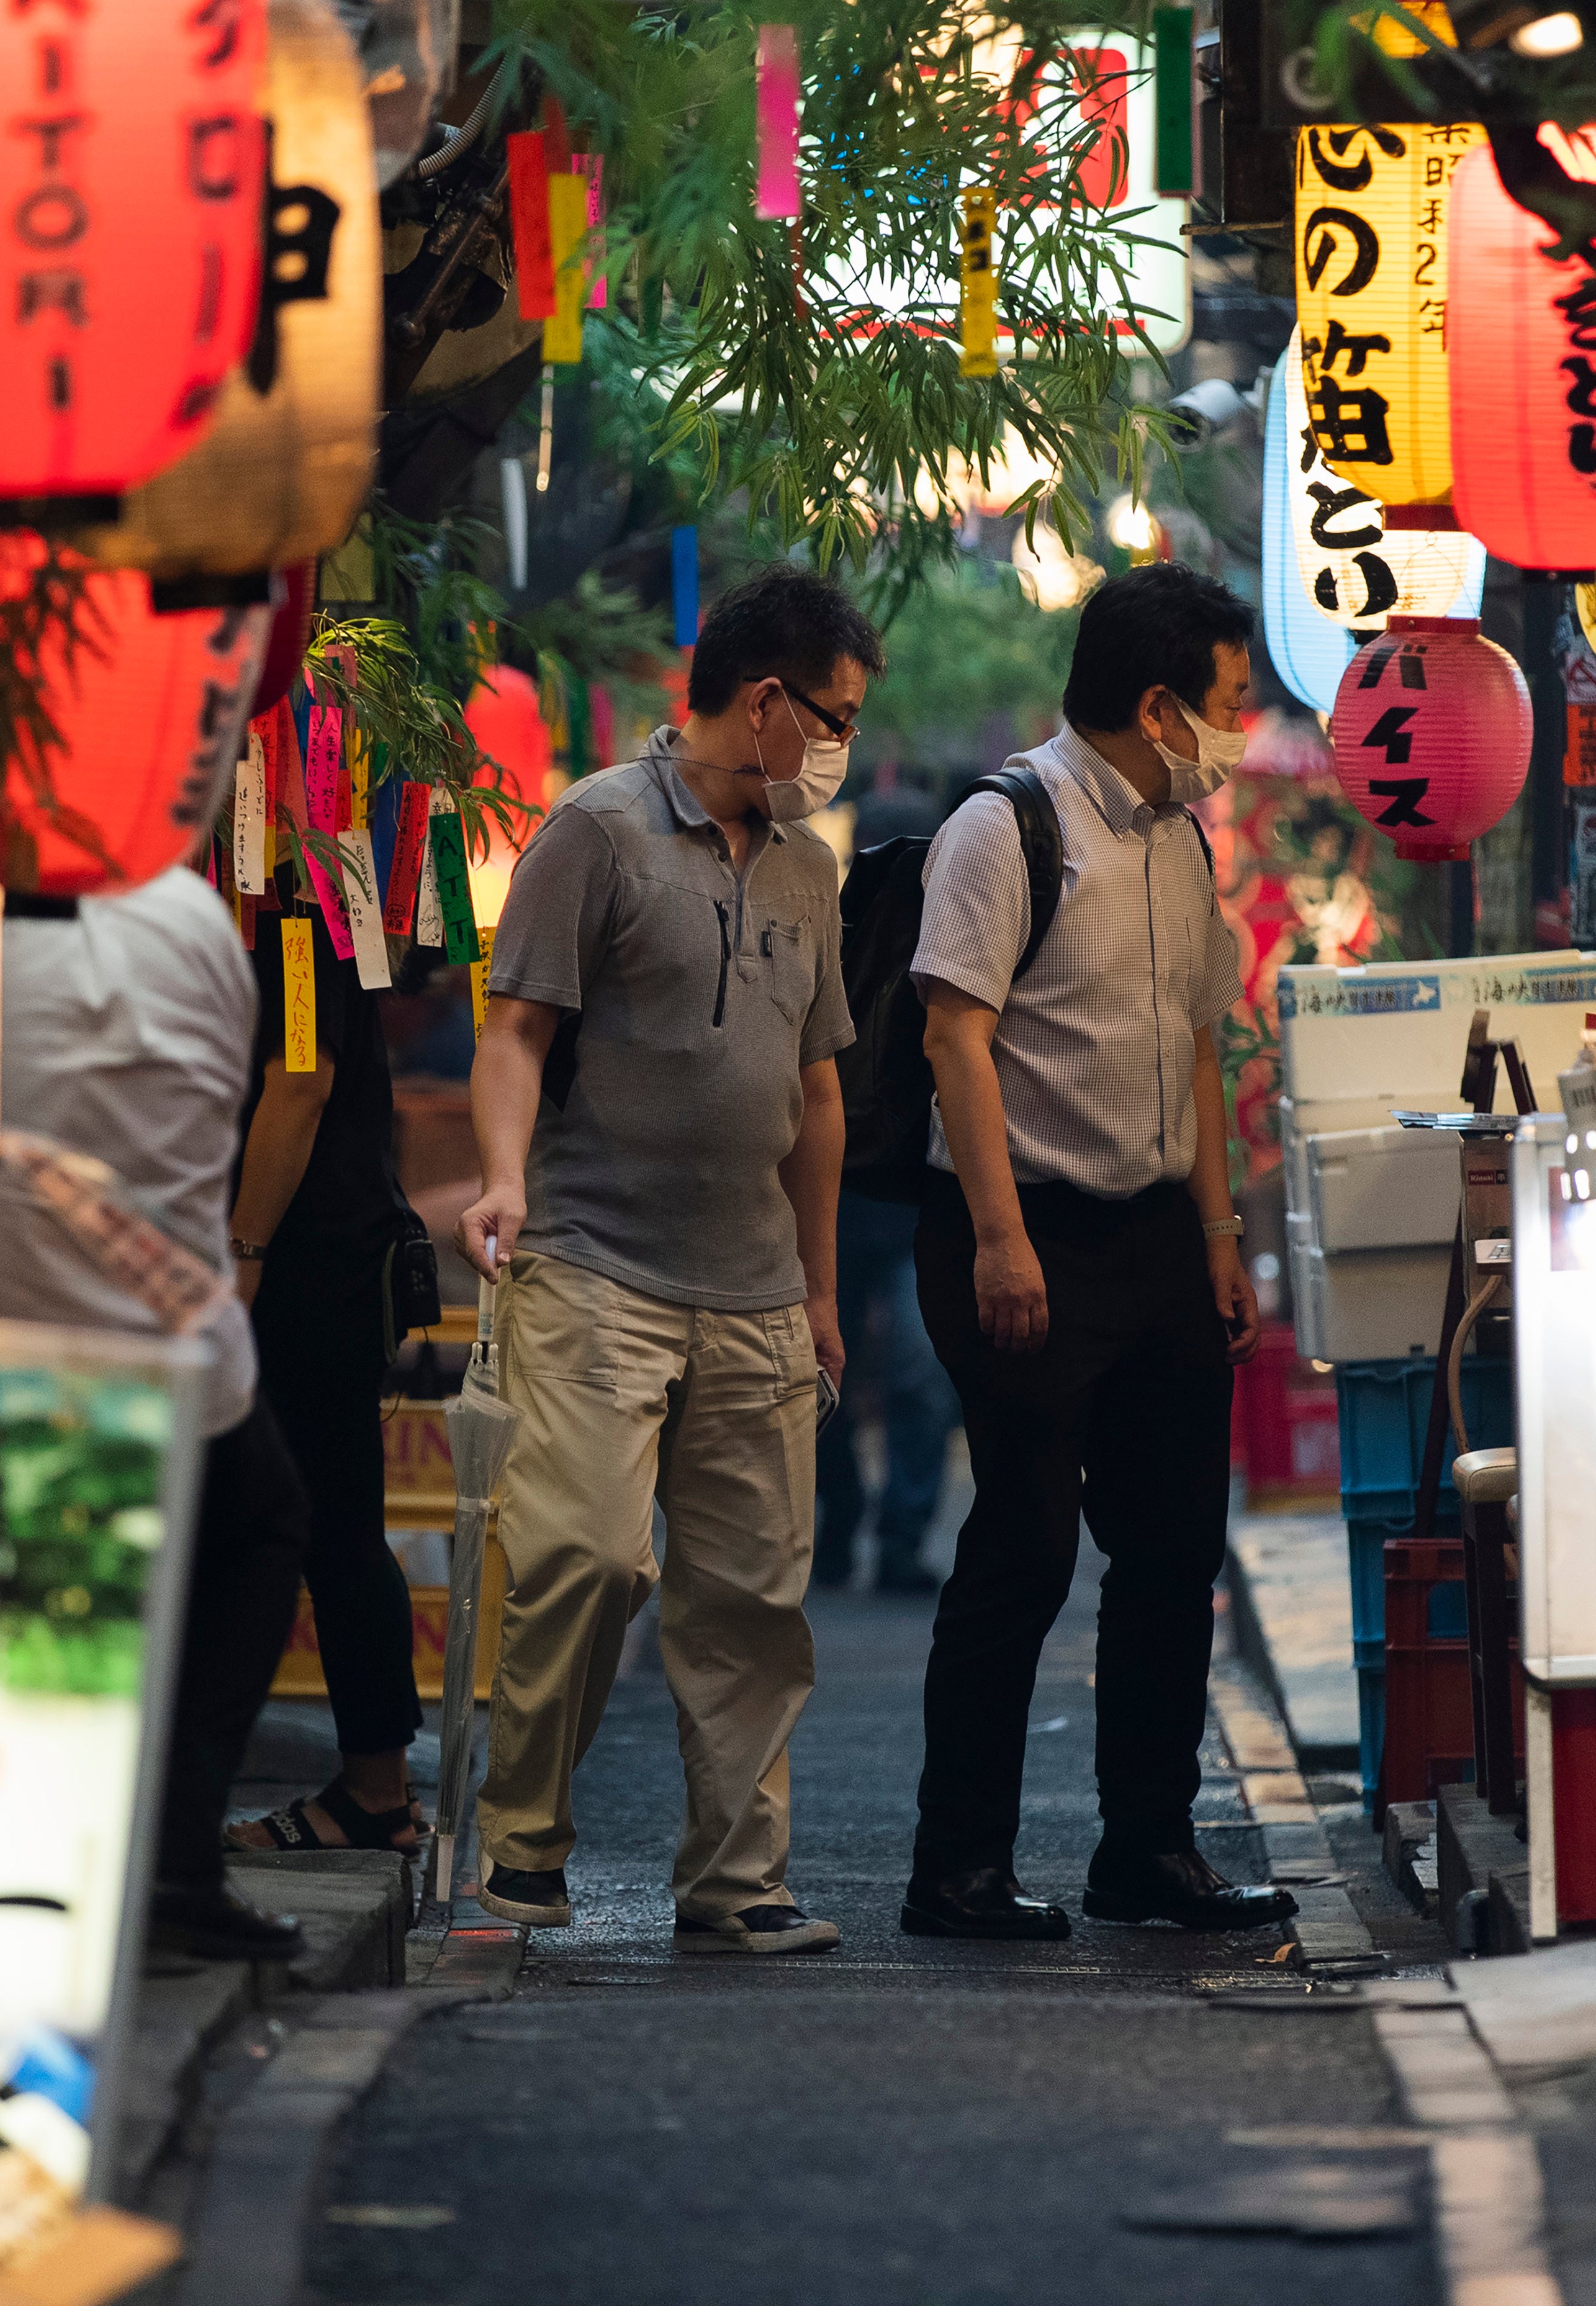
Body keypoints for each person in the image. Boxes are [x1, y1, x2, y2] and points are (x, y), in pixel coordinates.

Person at [456, 568, 878, 1955]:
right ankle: (520, 1842)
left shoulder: (813, 870)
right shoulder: (596, 830)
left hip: (757, 1288)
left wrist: (818, 1289)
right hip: (592, 1264)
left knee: (752, 1603)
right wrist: (506, 1177)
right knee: (584, 1555)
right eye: (832, 718)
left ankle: (736, 1880)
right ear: (763, 703)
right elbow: (514, 1028)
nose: (837, 750)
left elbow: (819, 1093)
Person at [898, 563, 1294, 1941]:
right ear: (1158, 703)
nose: (1240, 730)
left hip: (1157, 1244)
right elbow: (956, 1036)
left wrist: (1221, 1230)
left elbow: (1193, 1039)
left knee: (1176, 1550)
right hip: (1022, 1233)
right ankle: (955, 1868)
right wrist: (1002, 1242)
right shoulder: (1005, 830)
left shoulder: (1181, 839)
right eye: (1232, 703)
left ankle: (1149, 1846)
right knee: (1022, 1545)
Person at [0, 863, 309, 1963]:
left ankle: (84, 1864)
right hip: (162, 1347)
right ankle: (167, 1859)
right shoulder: (189, 918)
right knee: (254, 1529)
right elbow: (230, 1112)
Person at [220, 892, 428, 1857]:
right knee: (333, 1527)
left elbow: (300, 1079)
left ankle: (374, 1794)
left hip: (309, 1268)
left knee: (323, 1528)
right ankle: (373, 1791)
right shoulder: (286, 898)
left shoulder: (294, 906)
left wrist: (244, 1252)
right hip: (312, 1263)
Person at [812, 1189, 955, 1595]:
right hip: (832, 1199)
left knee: (923, 1369)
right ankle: (838, 1506)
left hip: (920, 1206)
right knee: (814, 1376)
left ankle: (901, 1541)